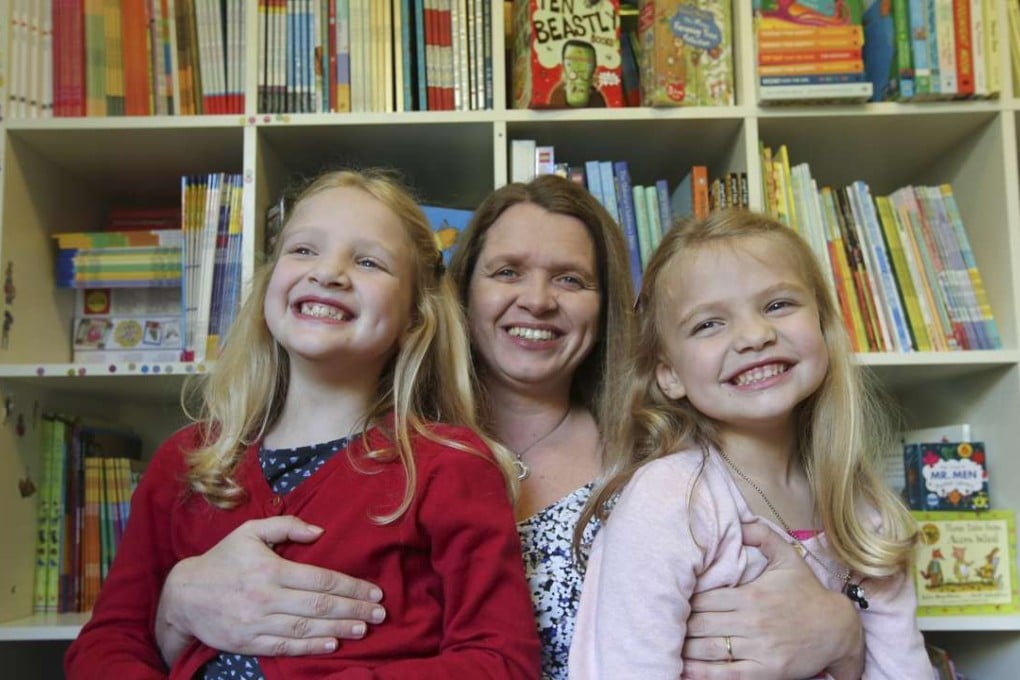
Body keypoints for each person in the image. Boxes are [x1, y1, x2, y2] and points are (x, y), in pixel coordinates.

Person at [151, 176, 868, 680]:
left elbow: (828, 554)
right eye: (507, 271)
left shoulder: (671, 456)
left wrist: (842, 631)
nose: (538, 300)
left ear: (609, 306)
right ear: (455, 296)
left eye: (571, 279)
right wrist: (178, 602)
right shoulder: (380, 455)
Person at [64, 169, 541, 679]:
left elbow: (502, 663)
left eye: (368, 261)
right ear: (270, 284)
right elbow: (107, 644)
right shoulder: (186, 463)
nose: (329, 273)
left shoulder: (450, 467)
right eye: (304, 251)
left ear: (413, 318)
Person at [569, 209, 930, 678]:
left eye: (778, 305)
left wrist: (842, 640)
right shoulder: (671, 498)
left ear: (822, 324)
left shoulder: (865, 512)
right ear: (670, 373)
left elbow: (906, 670)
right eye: (708, 324)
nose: (755, 336)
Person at [547, 40, 608, 108]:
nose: (579, 69)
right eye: (570, 64)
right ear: (563, 66)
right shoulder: (558, 94)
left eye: (588, 64)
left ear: (594, 67)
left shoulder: (597, 98)